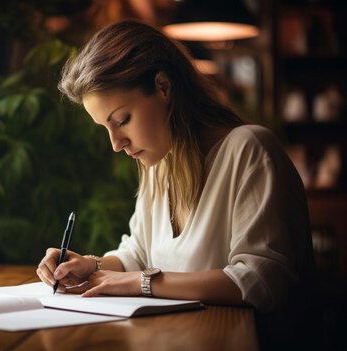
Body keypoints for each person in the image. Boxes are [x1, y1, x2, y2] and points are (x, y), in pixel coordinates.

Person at [36, 19, 317, 348]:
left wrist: (141, 283)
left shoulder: (250, 150)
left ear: (163, 87)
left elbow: (260, 280)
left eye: (122, 120)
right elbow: (136, 253)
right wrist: (90, 265)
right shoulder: (159, 164)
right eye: (105, 128)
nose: (116, 143)